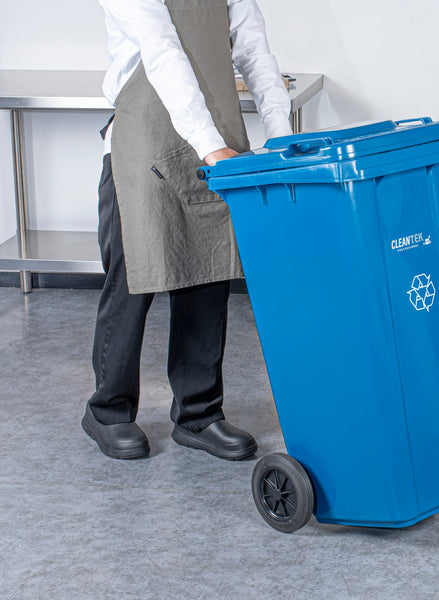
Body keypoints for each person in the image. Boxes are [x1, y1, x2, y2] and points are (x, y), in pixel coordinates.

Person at [81, 0, 292, 460]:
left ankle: (199, 414)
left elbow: (254, 50)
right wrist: (210, 144)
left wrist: (281, 135)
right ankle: (108, 411)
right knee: (132, 281)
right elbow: (162, 51)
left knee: (208, 271)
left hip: (214, 140)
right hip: (146, 144)